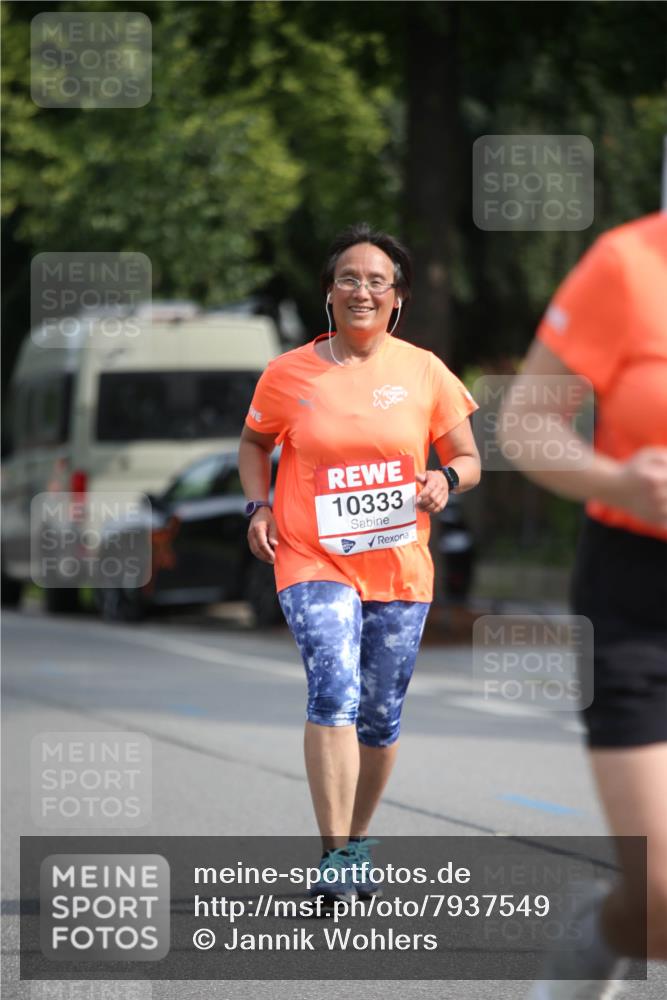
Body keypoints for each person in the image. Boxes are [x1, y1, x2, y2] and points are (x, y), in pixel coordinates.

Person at [239, 222, 480, 901]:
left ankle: (357, 841)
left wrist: (445, 480)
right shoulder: (288, 373)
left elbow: (467, 458)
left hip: (398, 566)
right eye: (349, 278)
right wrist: (258, 507)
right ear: (329, 292)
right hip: (312, 557)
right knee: (333, 689)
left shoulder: (424, 370)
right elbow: (253, 444)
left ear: (397, 297)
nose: (362, 291)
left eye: (378, 281)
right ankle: (333, 855)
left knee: (379, 715)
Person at [498, 212, 667, 998]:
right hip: (640, 593)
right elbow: (524, 424)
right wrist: (616, 482)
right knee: (660, 893)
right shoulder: (627, 263)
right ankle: (603, 931)